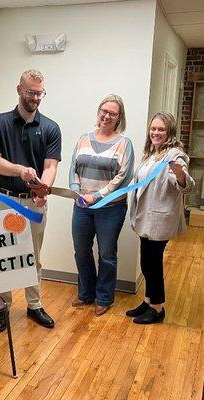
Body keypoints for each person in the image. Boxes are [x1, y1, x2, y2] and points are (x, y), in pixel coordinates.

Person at [0, 69, 61, 331]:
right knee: (3, 255)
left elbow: (50, 166)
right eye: (30, 92)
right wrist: (20, 170)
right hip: (5, 199)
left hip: (33, 202)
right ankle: (2, 307)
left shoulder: (51, 127)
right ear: (19, 90)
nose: (35, 98)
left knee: (33, 255)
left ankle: (34, 305)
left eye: (40, 93)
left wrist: (43, 189)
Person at [69, 93, 134, 316]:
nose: (106, 116)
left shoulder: (124, 144)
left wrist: (96, 196)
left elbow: (123, 178)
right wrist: (77, 193)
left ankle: (104, 297)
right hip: (82, 207)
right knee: (81, 251)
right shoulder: (83, 139)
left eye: (112, 113)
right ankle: (86, 293)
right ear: (98, 112)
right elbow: (73, 169)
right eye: (104, 111)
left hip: (111, 209)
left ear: (119, 118)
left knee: (106, 253)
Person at [127, 112, 194, 324]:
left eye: (161, 130)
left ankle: (157, 309)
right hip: (145, 218)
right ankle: (148, 301)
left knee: (152, 264)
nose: (156, 133)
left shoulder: (174, 154)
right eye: (153, 129)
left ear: (169, 132)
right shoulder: (152, 153)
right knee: (147, 262)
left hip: (159, 220)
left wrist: (181, 175)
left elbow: (185, 184)